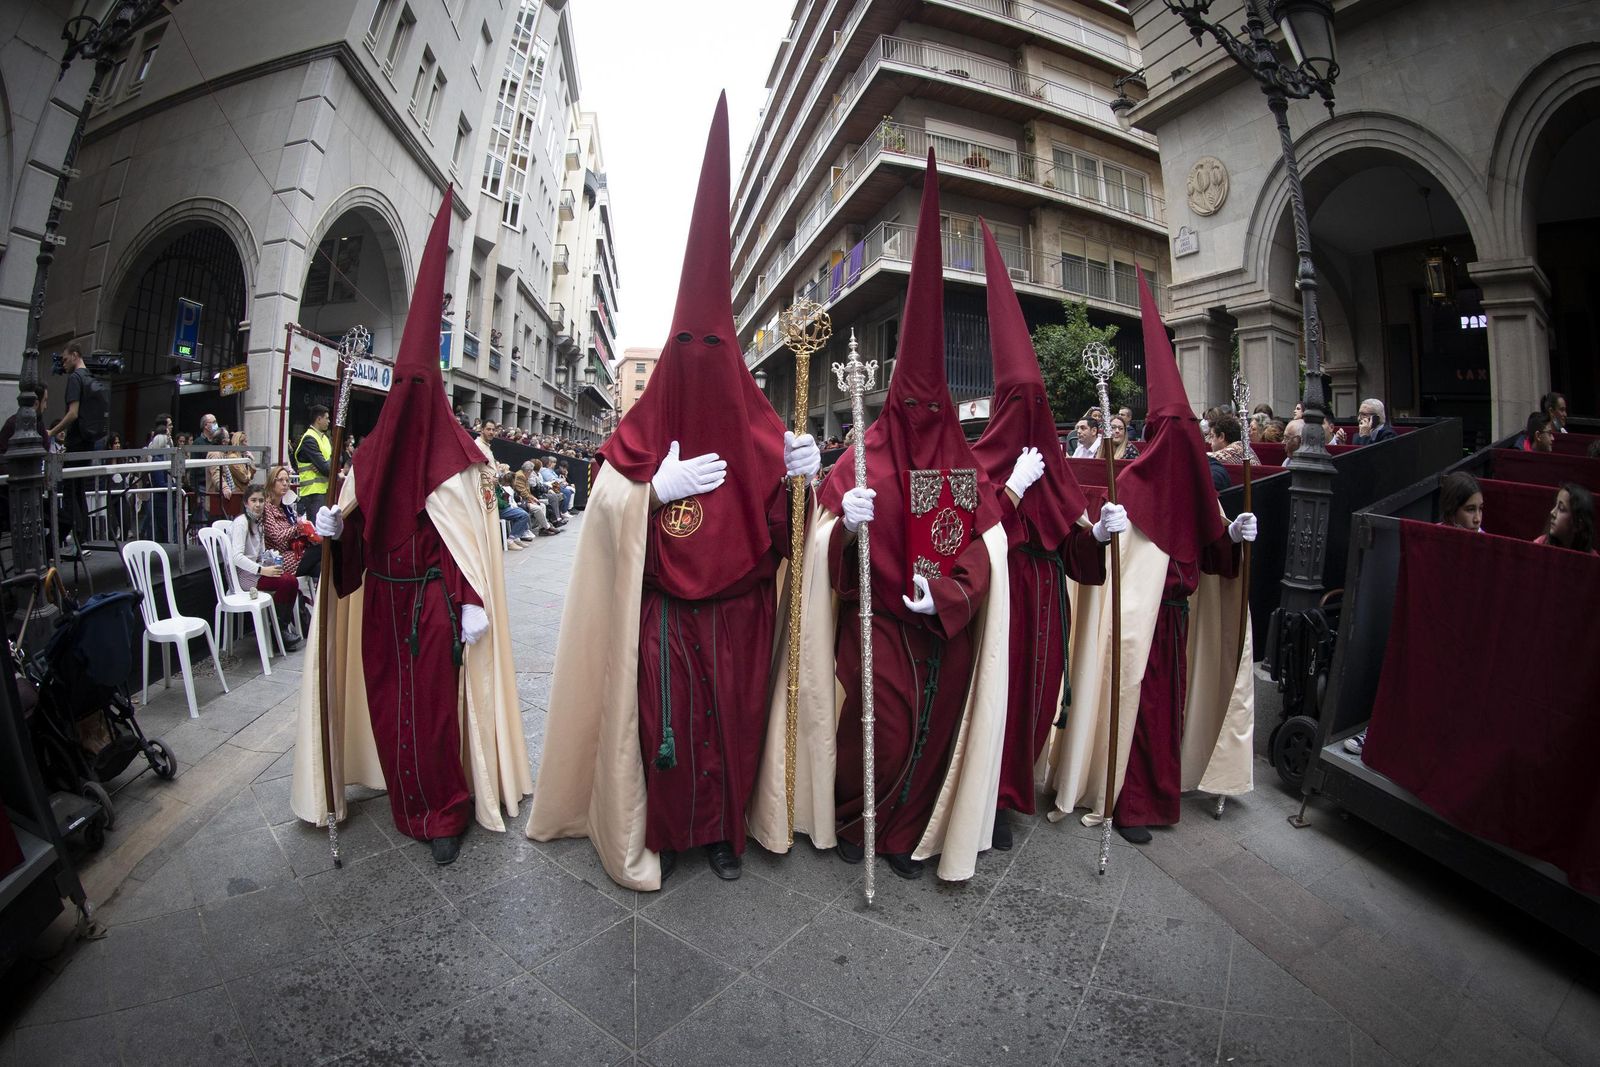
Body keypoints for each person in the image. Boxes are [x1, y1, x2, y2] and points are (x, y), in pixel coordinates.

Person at [528, 95, 816, 888]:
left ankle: (725, 831)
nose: (694, 358)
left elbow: (791, 538)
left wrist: (805, 478)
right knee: (669, 728)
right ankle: (670, 828)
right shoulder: (642, 431)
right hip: (665, 614)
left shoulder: (762, 427)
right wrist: (651, 491)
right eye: (680, 344)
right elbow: (601, 520)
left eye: (710, 345)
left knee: (734, 722)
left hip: (742, 612)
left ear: (732, 351)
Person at [749, 152, 1010, 884]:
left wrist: (954, 591)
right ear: (896, 399)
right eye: (914, 406)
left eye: (936, 407)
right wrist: (845, 526)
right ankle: (863, 820)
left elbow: (984, 547)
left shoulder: (959, 460)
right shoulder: (863, 450)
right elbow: (814, 536)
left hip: (944, 633)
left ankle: (909, 832)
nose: (924, 419)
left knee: (931, 737)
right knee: (884, 735)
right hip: (878, 628)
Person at [296, 187, 530, 867]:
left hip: (430, 600)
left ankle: (445, 810)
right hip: (383, 599)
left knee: (430, 711)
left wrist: (469, 603)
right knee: (387, 699)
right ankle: (407, 803)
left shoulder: (460, 459)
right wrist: (332, 528)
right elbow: (355, 526)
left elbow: (466, 543)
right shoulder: (367, 455)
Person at [1048, 268, 1258, 844]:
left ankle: (1163, 792)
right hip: (1141, 627)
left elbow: (1211, 554)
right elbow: (1097, 563)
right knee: (1137, 711)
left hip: (1179, 626)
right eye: (1178, 430)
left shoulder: (1198, 491)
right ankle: (1132, 801)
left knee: (1167, 713)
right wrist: (1101, 534)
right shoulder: (1131, 489)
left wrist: (1234, 537)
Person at [970, 219, 1117, 852]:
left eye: (1040, 401)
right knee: (998, 695)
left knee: (1037, 692)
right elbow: (966, 540)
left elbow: (1078, 556)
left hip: (1046, 599)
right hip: (1004, 598)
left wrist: (1102, 534)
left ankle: (1020, 782)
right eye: (1019, 400)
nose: (1030, 412)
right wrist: (1009, 492)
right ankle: (991, 795)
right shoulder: (981, 463)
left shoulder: (1056, 471)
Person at [48, 343, 109, 556]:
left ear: (75, 356)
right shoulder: (90, 377)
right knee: (79, 489)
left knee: (71, 490)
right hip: (88, 440)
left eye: (65, 359)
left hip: (76, 440)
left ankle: (76, 542)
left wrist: (51, 432)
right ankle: (81, 540)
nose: (63, 364)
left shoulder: (75, 379)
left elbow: (73, 413)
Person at [230, 483, 303, 651]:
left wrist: (271, 563)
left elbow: (261, 552)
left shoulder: (258, 522)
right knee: (288, 582)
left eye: (261, 501)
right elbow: (236, 557)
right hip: (246, 576)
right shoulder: (241, 523)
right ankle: (278, 631)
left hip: (258, 570)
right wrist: (263, 570)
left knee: (290, 580)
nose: (257, 504)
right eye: (253, 500)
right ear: (246, 503)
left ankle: (279, 627)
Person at [262, 465, 321, 592]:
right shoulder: (267, 508)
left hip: (294, 553)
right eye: (280, 480)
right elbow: (276, 537)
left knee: (323, 568)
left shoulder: (286, 508)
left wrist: (306, 531)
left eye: (287, 480)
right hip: (279, 559)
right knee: (323, 549)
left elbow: (293, 534)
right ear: (272, 483)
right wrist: (297, 528)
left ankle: (316, 606)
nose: (285, 484)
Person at [1533, 483, 1596, 554]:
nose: (1552, 512)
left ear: (1578, 524)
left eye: (1561, 508)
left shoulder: (1592, 560)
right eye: (1555, 505)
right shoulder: (1540, 544)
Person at [294, 405, 332, 518]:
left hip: (325, 490)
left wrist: (327, 462)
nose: (329, 421)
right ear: (318, 419)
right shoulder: (309, 439)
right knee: (317, 533)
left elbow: (336, 459)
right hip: (312, 494)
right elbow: (327, 469)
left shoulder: (325, 438)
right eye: (327, 418)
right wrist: (327, 464)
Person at [493, 466, 531, 550]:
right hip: (498, 510)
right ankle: (510, 541)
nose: (495, 478)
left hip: (503, 508)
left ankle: (516, 538)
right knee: (523, 515)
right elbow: (497, 501)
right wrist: (506, 504)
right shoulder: (491, 485)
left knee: (522, 511)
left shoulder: (497, 485)